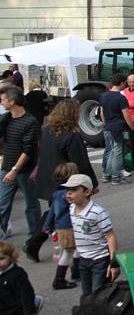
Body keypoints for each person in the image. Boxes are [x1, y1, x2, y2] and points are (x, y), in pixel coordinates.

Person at [28, 99, 97, 262]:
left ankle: (35, 242)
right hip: (67, 181)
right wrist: (91, 183)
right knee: (66, 214)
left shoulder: (46, 130)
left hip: (49, 177)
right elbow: (81, 162)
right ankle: (69, 250)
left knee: (54, 212)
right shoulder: (72, 136)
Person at [65, 174, 118, 294]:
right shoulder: (72, 208)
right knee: (87, 293)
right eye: (67, 190)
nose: (68, 193)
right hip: (83, 259)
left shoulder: (97, 212)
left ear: (87, 192)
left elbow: (110, 236)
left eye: (73, 190)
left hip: (100, 260)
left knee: (99, 293)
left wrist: (114, 263)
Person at [0, 86, 41, 239]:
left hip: (24, 170)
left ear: (12, 102)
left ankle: (34, 235)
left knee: (31, 203)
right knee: (2, 203)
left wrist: (15, 169)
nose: (2, 103)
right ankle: (2, 235)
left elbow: (28, 149)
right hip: (7, 167)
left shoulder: (30, 121)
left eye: (4, 100)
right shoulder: (6, 119)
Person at [35, 163, 80, 289]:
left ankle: (76, 272)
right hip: (68, 226)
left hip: (62, 226)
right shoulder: (67, 194)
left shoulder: (57, 193)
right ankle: (59, 279)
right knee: (68, 252)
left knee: (75, 248)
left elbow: (53, 211)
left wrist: (48, 225)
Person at [99, 74, 134, 186]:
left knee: (110, 151)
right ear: (122, 83)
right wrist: (132, 126)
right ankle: (116, 177)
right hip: (118, 127)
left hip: (108, 127)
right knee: (117, 152)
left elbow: (102, 113)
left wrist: (106, 124)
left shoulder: (104, 96)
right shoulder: (121, 98)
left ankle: (106, 175)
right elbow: (126, 115)